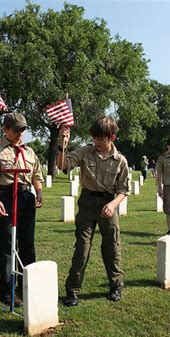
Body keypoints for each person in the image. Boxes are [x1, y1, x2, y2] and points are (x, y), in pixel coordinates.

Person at [57, 116, 129, 307]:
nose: (96, 142)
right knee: (82, 248)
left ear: (111, 138)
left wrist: (113, 205)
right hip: (87, 204)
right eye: (94, 138)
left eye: (100, 139)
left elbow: (123, 191)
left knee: (112, 248)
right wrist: (62, 146)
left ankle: (115, 287)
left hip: (108, 205)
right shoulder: (85, 152)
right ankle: (72, 291)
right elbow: (63, 166)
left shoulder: (120, 161)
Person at [0, 113, 43, 306]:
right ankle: (6, 290)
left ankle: (27, 285)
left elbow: (36, 175)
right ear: (6, 129)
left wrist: (39, 191)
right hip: (6, 197)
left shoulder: (30, 152)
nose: (20, 134)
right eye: (16, 130)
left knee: (27, 244)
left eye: (23, 130)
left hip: (25, 198)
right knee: (8, 245)